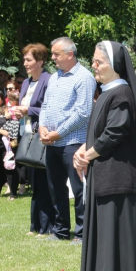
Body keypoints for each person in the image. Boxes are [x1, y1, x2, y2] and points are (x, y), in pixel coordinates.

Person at [74, 41, 136, 271]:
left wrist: (87, 155)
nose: (94, 66)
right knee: (102, 231)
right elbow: (96, 132)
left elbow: (114, 133)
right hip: (103, 171)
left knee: (114, 231)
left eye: (99, 62)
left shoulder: (122, 93)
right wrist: (83, 151)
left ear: (115, 65)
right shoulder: (106, 92)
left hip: (117, 174)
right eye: (93, 61)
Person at [39, 37, 96, 244]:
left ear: (70, 54)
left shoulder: (84, 77)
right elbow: (45, 106)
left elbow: (83, 113)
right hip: (53, 143)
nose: (52, 58)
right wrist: (43, 127)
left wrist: (58, 133)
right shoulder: (54, 78)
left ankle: (82, 233)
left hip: (74, 143)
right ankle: (60, 230)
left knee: (79, 189)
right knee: (56, 188)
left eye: (56, 54)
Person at [13, 43, 56, 236]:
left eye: (29, 60)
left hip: (43, 137)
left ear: (40, 61)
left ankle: (47, 226)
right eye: (24, 60)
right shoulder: (26, 83)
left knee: (44, 182)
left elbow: (51, 109)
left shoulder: (49, 80)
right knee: (34, 183)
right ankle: (35, 225)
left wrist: (27, 110)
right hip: (27, 135)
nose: (25, 63)